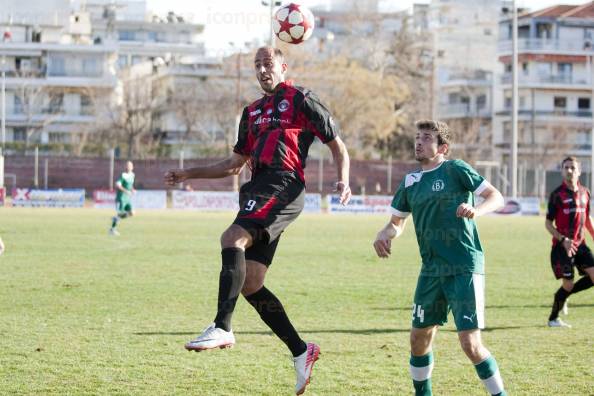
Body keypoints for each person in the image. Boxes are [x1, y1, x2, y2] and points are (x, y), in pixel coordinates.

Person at [164, 46, 351, 395]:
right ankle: (301, 350)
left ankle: (222, 326)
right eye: (257, 65)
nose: (263, 70)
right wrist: (189, 172)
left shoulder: (300, 99)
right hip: (258, 187)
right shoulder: (251, 113)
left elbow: (337, 145)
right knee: (251, 282)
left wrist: (344, 178)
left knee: (231, 238)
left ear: (283, 66)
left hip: (283, 184)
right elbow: (233, 165)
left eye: (268, 63)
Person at [373, 120, 507, 396]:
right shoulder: (411, 181)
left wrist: (476, 210)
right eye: (417, 137)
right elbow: (396, 223)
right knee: (418, 339)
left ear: (442, 147)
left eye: (426, 138)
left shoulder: (455, 169)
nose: (418, 142)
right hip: (431, 270)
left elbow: (496, 197)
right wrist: (384, 234)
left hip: (464, 266)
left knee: (470, 345)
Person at [545, 156, 594, 328]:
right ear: (562, 170)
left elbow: (587, 219)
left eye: (573, 167)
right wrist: (562, 239)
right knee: (568, 284)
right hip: (561, 247)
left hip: (580, 245)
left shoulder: (585, 192)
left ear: (579, 171)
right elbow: (548, 224)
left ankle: (564, 296)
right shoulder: (556, 195)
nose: (569, 170)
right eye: (566, 167)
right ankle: (553, 319)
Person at [109, 160, 136, 236]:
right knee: (120, 213)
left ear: (132, 167)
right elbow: (117, 184)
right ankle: (112, 230)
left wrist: (132, 189)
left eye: (130, 166)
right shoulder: (123, 175)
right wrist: (126, 191)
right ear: (125, 167)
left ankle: (116, 217)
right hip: (121, 198)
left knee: (132, 213)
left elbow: (130, 185)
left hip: (127, 199)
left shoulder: (132, 175)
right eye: (127, 166)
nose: (128, 167)